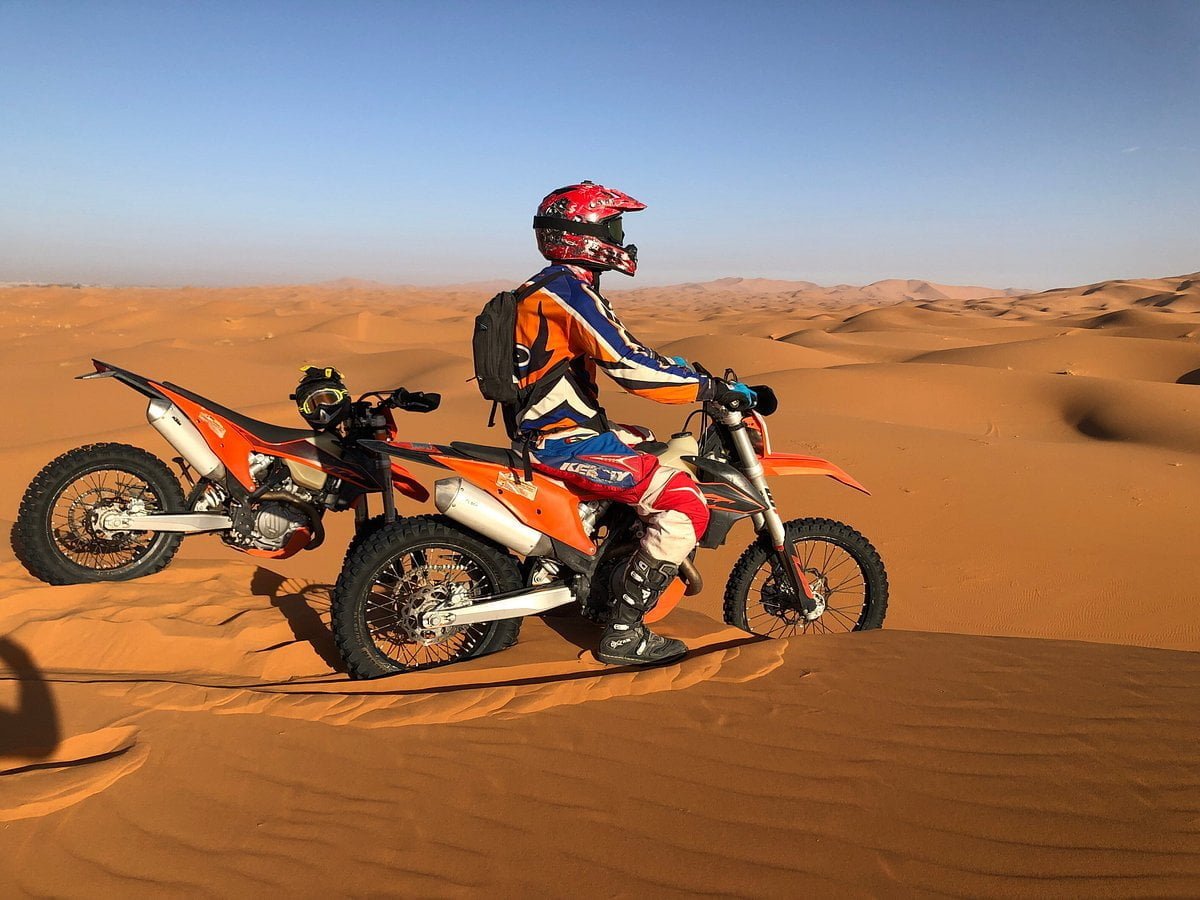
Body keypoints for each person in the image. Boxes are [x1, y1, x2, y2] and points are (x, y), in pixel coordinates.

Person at [513, 181, 756, 666]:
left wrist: (681, 367)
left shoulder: (547, 287)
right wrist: (707, 388)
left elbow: (624, 351)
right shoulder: (566, 292)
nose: (620, 237)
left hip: (552, 428)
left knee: (644, 441)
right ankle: (624, 632)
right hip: (564, 441)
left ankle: (583, 563)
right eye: (613, 226)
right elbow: (630, 367)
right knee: (685, 505)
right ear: (582, 232)